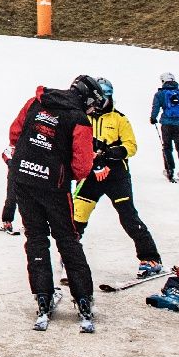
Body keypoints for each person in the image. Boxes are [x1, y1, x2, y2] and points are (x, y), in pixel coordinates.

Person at [8, 75, 101, 332]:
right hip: (54, 186)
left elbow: (15, 134)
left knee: (36, 237)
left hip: (23, 178)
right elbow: (82, 166)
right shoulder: (79, 120)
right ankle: (83, 297)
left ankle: (43, 295)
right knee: (67, 239)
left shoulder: (36, 102)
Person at [72, 78, 163, 280]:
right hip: (91, 175)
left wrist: (111, 153)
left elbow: (131, 146)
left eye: (104, 97)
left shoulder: (120, 119)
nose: (99, 102)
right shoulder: (83, 117)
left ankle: (150, 259)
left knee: (128, 216)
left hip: (116, 176)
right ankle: (70, 258)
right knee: (77, 217)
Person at [150, 72, 179, 184]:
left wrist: (153, 118)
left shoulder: (160, 94)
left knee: (167, 147)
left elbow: (155, 107)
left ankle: (169, 169)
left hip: (166, 124)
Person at [0, 146, 19, 234]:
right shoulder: (14, 145)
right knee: (12, 198)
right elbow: (5, 153)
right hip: (14, 174)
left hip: (29, 174)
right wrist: (9, 161)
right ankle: (7, 221)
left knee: (29, 200)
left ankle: (30, 222)